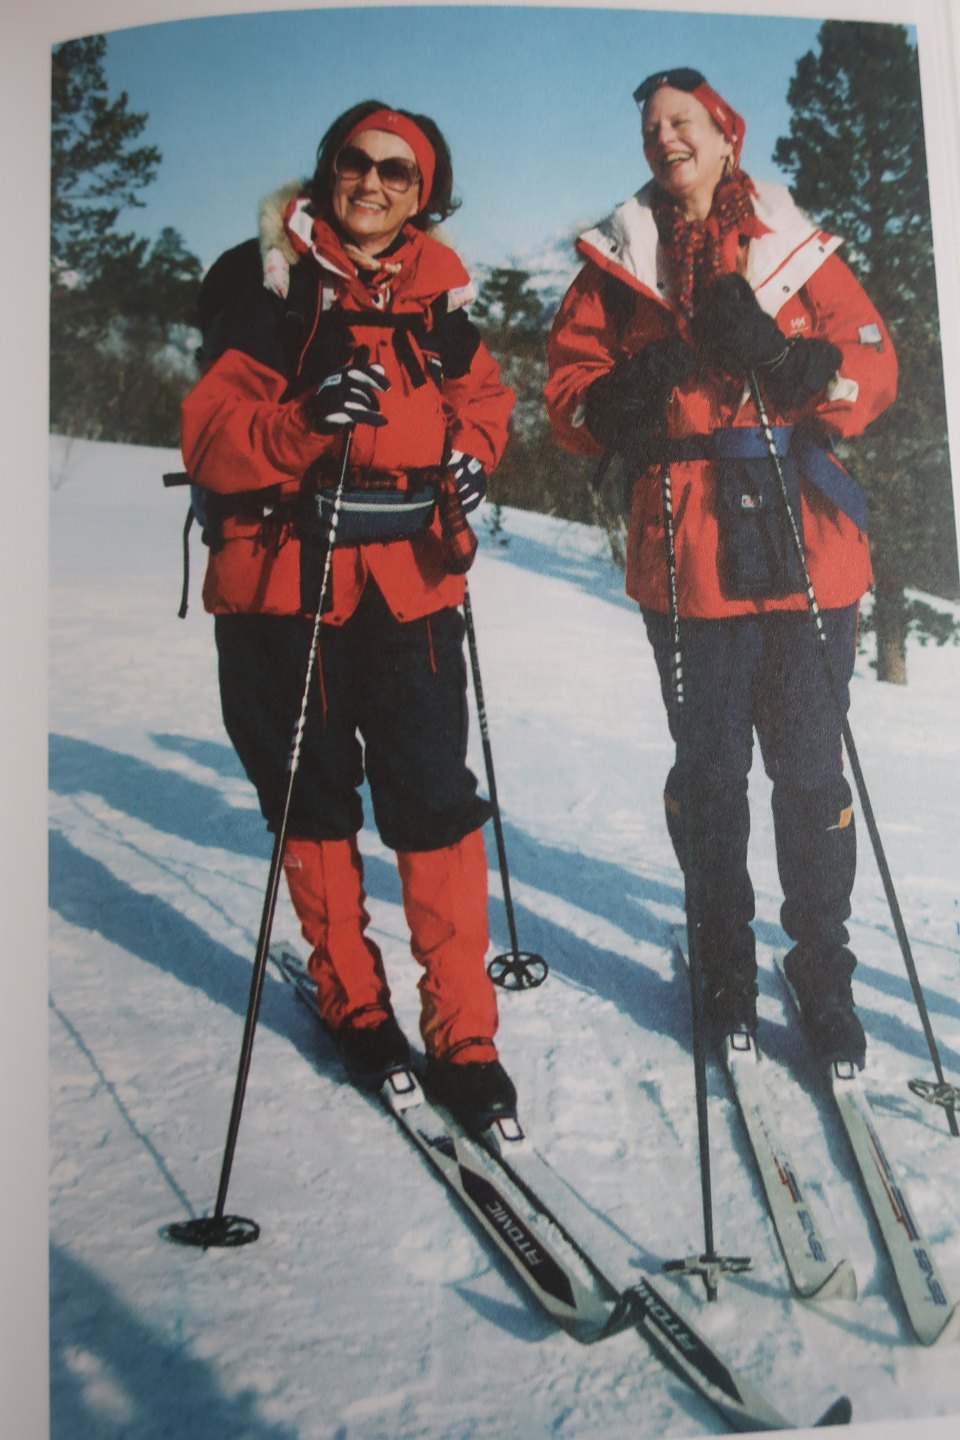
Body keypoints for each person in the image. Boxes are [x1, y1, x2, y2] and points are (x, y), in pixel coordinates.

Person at [545, 68, 898, 1068]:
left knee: (810, 771)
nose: (666, 137)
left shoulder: (792, 244)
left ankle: (822, 973)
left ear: (725, 135)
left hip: (807, 544)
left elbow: (875, 365)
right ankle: (724, 966)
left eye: (683, 121)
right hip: (685, 549)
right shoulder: (619, 260)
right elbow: (567, 400)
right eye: (651, 125)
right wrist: (631, 388)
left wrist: (786, 361)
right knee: (710, 774)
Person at [180, 100, 518, 1131]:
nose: (371, 183)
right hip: (287, 581)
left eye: (396, 172)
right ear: (329, 170)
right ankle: (353, 1002)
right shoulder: (269, 285)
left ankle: (463, 1031)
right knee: (313, 796)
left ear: (424, 194)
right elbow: (211, 435)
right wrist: (302, 422)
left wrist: (473, 455)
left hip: (411, 581)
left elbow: (484, 402)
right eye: (354, 163)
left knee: (433, 799)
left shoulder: (436, 298)